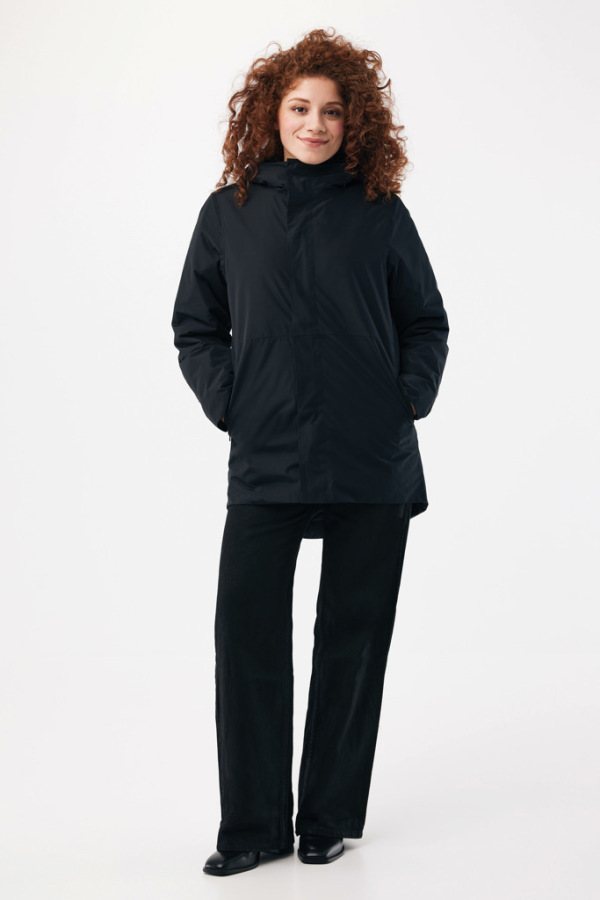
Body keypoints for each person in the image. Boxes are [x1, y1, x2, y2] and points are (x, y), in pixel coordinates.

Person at [171, 27, 450, 877]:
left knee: (352, 641)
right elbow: (195, 326)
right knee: (246, 636)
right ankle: (254, 826)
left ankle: (327, 817)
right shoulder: (228, 213)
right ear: (272, 113)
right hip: (267, 454)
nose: (315, 125)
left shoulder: (380, 212)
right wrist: (232, 401)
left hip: (371, 455)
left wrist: (407, 397)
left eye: (332, 111)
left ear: (353, 122)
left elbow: (426, 321)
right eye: (300, 108)